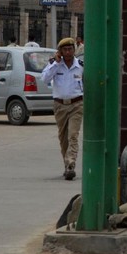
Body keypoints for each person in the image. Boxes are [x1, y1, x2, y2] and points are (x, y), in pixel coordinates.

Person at [41, 37, 84, 181]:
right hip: (60, 106)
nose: (68, 52)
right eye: (65, 50)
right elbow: (45, 79)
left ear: (74, 50)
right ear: (60, 51)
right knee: (63, 138)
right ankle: (66, 165)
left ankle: (71, 163)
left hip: (76, 105)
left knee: (73, 135)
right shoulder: (55, 65)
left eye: (70, 49)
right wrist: (56, 63)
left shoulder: (81, 66)